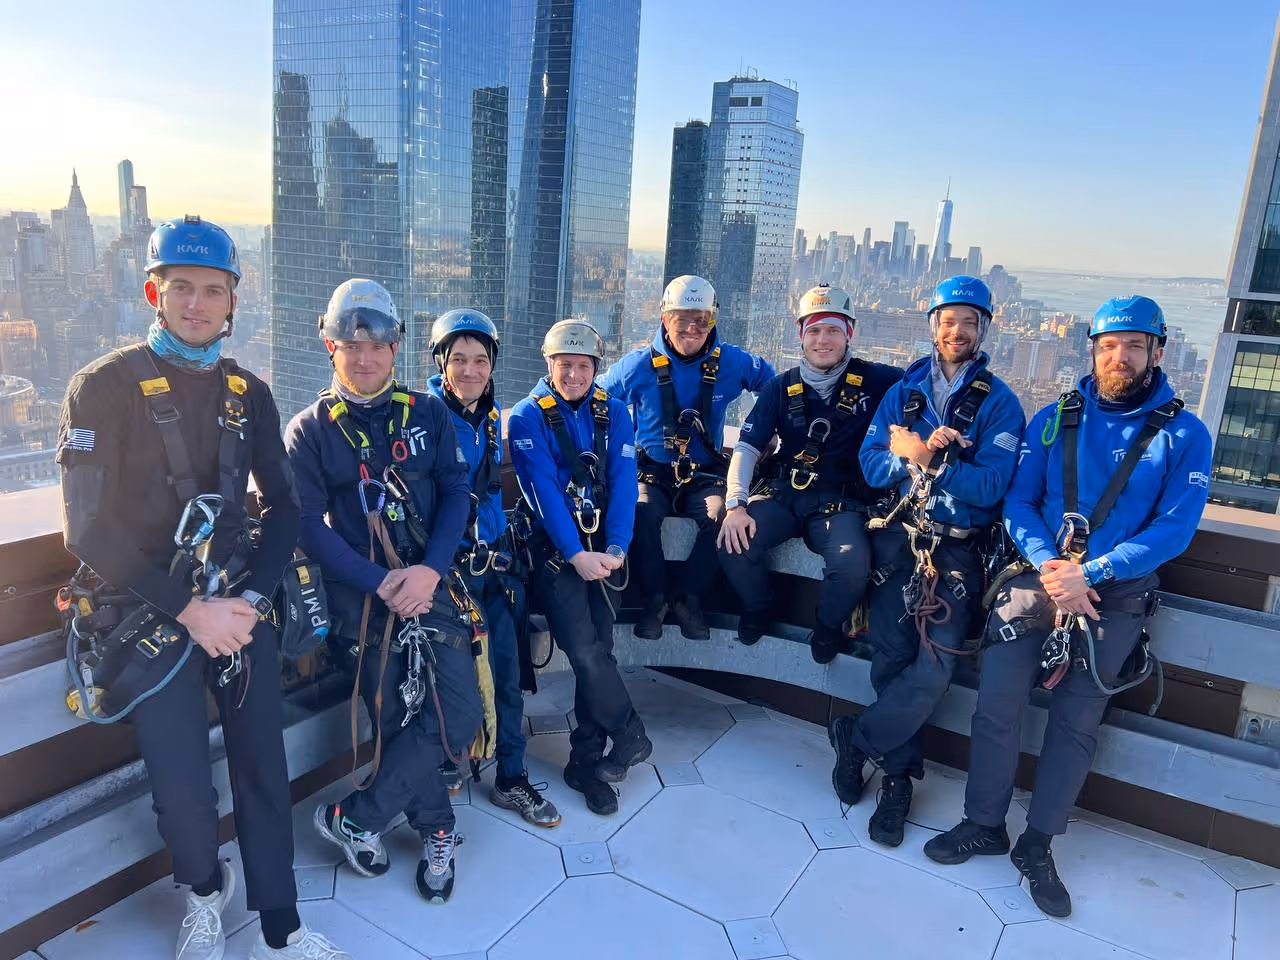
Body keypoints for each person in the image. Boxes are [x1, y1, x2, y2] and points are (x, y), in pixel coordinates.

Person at [56, 215, 349, 959]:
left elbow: (286, 508)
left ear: (231, 301)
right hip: (151, 614)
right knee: (183, 788)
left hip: (236, 606)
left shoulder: (246, 393)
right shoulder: (103, 388)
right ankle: (203, 894)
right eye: (180, 287)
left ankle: (281, 928)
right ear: (154, 291)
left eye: (211, 290)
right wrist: (189, 610)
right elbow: (86, 530)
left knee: (262, 765)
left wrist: (247, 604)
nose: (195, 303)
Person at [924, 295, 1211, 918]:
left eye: (1134, 345)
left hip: (1115, 593)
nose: (1120, 355)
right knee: (996, 705)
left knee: (1077, 724)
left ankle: (1038, 842)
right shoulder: (1054, 419)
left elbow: (1175, 528)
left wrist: (1095, 571)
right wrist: (1055, 571)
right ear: (1092, 351)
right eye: (1109, 345)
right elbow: (1021, 503)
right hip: (1037, 580)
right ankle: (984, 822)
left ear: (1157, 352)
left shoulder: (1185, 435)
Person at [285, 279, 482, 905]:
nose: (365, 359)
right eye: (351, 346)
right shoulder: (310, 432)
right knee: (397, 720)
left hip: (432, 585)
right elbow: (308, 531)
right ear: (329, 345)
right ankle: (438, 829)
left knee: (461, 717)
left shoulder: (426, 413)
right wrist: (381, 583)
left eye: (378, 347)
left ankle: (357, 817)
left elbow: (457, 490)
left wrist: (428, 572)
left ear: (397, 348)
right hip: (365, 605)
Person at [827, 274, 1025, 849]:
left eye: (969, 321)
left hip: (956, 550)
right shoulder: (906, 392)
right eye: (948, 319)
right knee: (891, 658)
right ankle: (897, 782)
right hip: (901, 538)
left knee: (934, 668)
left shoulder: (999, 403)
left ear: (983, 329)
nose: (956, 330)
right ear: (932, 325)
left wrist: (923, 459)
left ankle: (857, 736)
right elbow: (870, 464)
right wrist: (909, 458)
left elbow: (990, 486)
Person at [507, 319, 649, 816]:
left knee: (601, 650)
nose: (573, 375)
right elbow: (543, 493)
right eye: (564, 365)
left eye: (582, 366)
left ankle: (585, 763)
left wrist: (616, 545)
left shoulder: (613, 412)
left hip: (600, 547)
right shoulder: (526, 418)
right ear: (549, 365)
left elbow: (624, 479)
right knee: (586, 651)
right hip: (555, 554)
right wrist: (576, 555)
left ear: (595, 368)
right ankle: (630, 735)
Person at [425, 308, 561, 828]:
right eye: (458, 359)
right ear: (441, 363)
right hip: (448, 571)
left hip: (494, 566)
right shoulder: (424, 417)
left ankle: (510, 775)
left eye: (480, 360)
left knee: (507, 673)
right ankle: (448, 759)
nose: (470, 370)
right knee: (449, 679)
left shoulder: (492, 415)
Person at [717, 284, 902, 661]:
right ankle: (759, 605)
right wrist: (735, 504)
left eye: (833, 330)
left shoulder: (880, 381)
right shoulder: (780, 388)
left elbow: (926, 388)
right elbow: (748, 447)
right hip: (787, 493)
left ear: (849, 333)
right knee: (733, 542)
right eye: (814, 330)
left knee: (851, 565)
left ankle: (827, 626)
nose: (823, 340)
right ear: (802, 335)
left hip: (843, 501)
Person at [598, 275, 774, 639]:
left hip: (704, 472)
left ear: (714, 320)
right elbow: (593, 397)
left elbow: (774, 387)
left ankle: (687, 599)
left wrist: (768, 431)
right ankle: (656, 599)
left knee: (721, 516)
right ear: (664, 319)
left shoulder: (734, 363)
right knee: (641, 513)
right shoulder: (637, 366)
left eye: (702, 319)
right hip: (651, 470)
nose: (692, 330)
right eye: (681, 319)